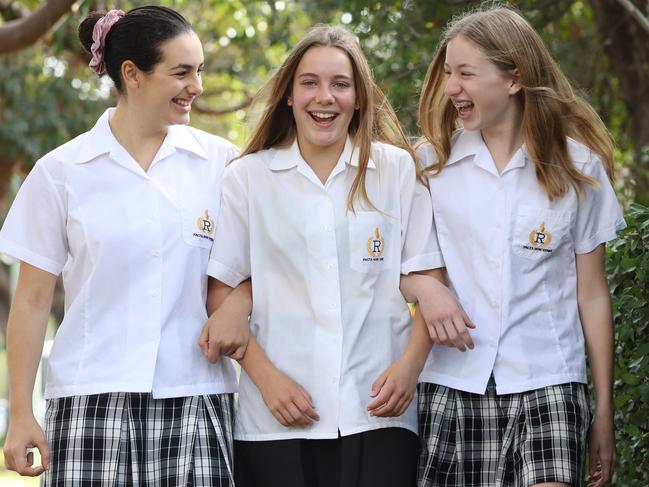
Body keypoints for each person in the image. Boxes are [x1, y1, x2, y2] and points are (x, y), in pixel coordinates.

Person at [200, 24, 465, 487]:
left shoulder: (396, 170)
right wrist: (267, 382)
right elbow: (223, 293)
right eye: (310, 83)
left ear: (359, 97)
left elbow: (428, 278)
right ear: (288, 95)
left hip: (379, 413)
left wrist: (410, 368)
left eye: (340, 84)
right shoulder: (247, 178)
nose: (325, 97)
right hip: (274, 421)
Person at [0, 6, 240, 486]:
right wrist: (21, 412)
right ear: (132, 74)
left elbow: (245, 273)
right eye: (182, 72)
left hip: (194, 394)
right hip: (91, 401)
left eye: (200, 71)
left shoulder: (223, 164)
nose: (197, 86)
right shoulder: (61, 173)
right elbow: (29, 302)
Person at [414, 5, 625, 487]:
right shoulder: (429, 165)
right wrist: (427, 290)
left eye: (466, 73)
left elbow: (592, 294)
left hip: (548, 382)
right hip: (452, 383)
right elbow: (407, 268)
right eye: (448, 73)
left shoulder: (579, 168)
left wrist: (604, 411)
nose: (451, 89)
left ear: (514, 79)